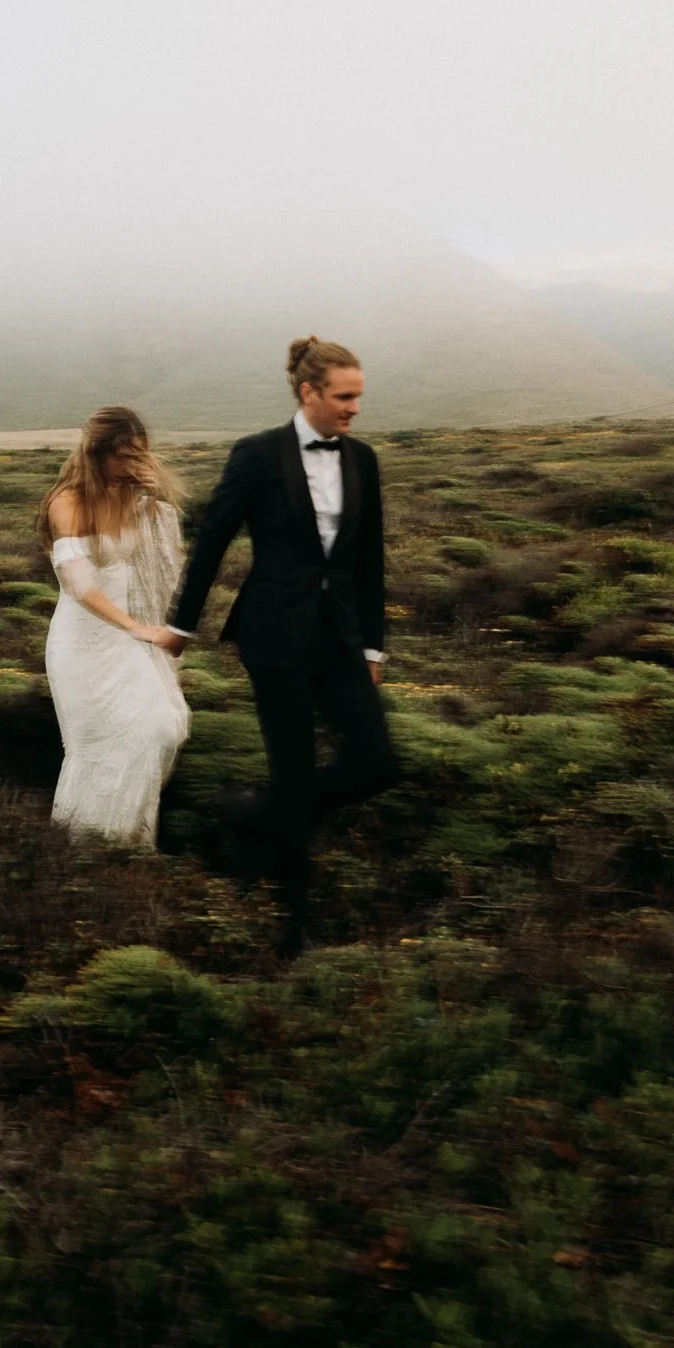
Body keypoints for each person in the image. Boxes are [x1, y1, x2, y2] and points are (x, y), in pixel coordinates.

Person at [168, 336, 400, 955]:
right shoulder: (257, 455)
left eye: (358, 397)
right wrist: (182, 627)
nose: (354, 408)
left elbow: (369, 557)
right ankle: (292, 922)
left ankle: (258, 814)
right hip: (274, 636)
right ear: (309, 392)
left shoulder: (364, 459)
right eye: (344, 397)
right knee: (294, 766)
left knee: (379, 763)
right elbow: (212, 542)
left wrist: (373, 649)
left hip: (341, 638)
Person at [40, 406, 190, 846]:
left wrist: (155, 499)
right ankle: (85, 850)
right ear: (95, 454)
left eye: (139, 455)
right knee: (102, 746)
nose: (132, 465)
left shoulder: (133, 502)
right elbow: (78, 582)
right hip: (82, 643)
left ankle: (127, 845)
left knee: (160, 727)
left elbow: (164, 553)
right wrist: (137, 628)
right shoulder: (66, 502)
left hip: (124, 639)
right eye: (124, 456)